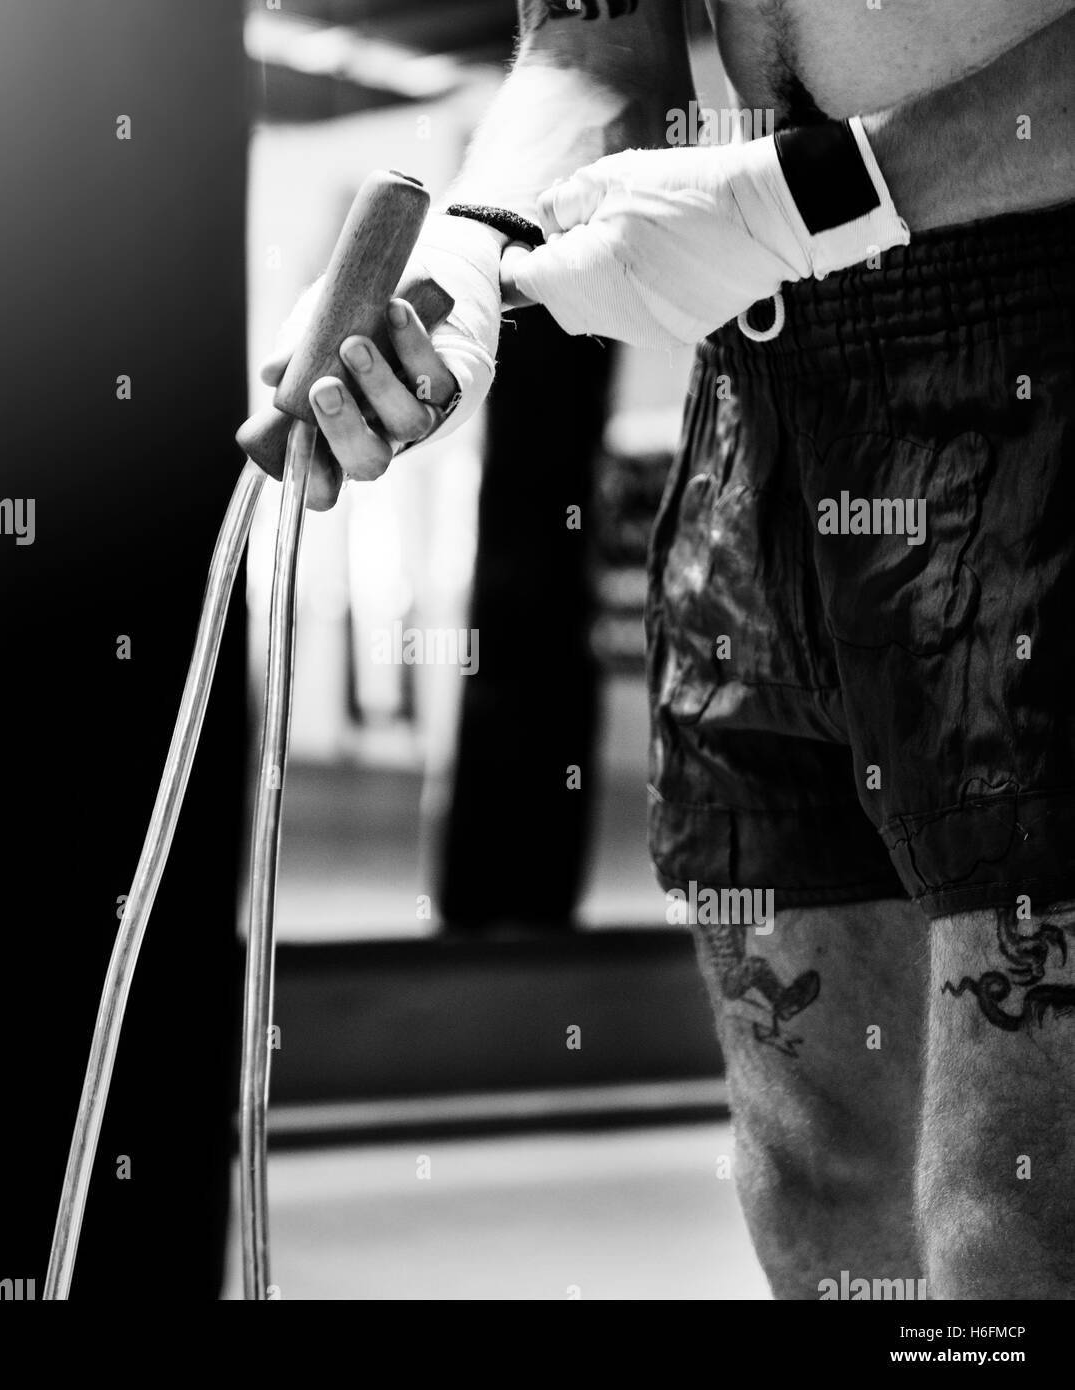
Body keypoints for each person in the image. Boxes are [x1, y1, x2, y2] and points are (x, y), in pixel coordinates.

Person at [262, 0, 1075, 1298]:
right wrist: (467, 254)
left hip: (1037, 340)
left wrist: (833, 191)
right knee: (815, 1168)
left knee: (1015, 1213)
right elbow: (593, 48)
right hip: (757, 382)